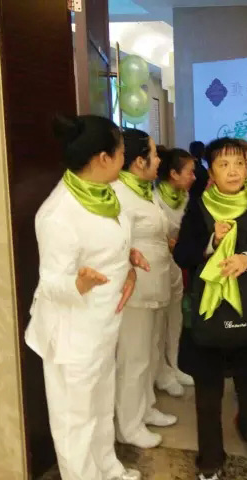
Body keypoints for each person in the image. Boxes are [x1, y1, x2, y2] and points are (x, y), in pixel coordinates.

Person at [25, 114, 148, 480]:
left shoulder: (107, 193)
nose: (125, 158)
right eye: (121, 152)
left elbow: (108, 242)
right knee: (75, 421)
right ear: (103, 158)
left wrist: (127, 261)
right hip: (72, 334)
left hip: (103, 324)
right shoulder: (57, 214)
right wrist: (78, 285)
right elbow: (51, 284)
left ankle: (108, 468)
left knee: (100, 406)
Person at [173, 137, 247, 480]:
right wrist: (212, 242)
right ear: (211, 171)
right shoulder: (198, 207)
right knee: (207, 395)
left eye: (240, 163)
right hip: (207, 314)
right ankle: (210, 459)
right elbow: (182, 254)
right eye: (224, 164)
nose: (234, 171)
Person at [113, 129, 177, 450]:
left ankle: (146, 407)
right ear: (139, 161)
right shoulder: (118, 194)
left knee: (150, 352)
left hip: (157, 283)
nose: (159, 159)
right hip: (135, 291)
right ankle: (128, 426)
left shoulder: (144, 190)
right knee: (133, 359)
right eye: (153, 153)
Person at [153, 146, 197, 397]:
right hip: (159, 263)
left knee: (176, 317)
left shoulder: (185, 197)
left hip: (177, 264)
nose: (193, 177)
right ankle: (162, 371)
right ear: (173, 174)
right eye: (189, 172)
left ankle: (175, 364)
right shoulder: (155, 199)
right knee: (159, 322)